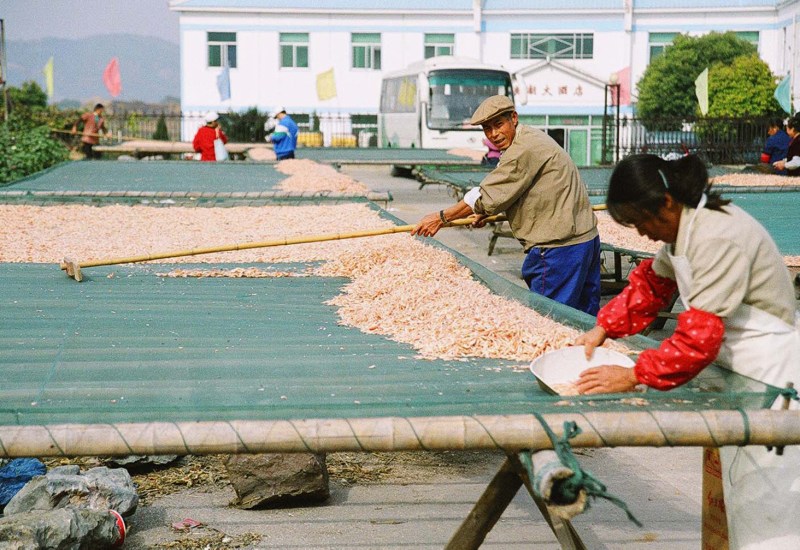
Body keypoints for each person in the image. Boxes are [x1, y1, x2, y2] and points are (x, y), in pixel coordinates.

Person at [574, 153, 800, 550]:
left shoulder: (717, 234)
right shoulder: (687, 228)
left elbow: (698, 340)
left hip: (773, 371)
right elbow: (653, 286)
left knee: (771, 498)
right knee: (742, 487)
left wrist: (632, 375)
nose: (641, 233)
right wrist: (602, 328)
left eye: (641, 220)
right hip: (742, 370)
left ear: (665, 202)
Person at [412, 95, 601, 315]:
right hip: (585, 240)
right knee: (584, 320)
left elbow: (488, 195)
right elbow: (513, 189)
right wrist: (486, 209)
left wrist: (441, 218)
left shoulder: (523, 148)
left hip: (559, 249)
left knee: (551, 321)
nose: (494, 134)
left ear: (514, 118)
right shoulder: (530, 137)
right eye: (487, 129)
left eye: (499, 124)